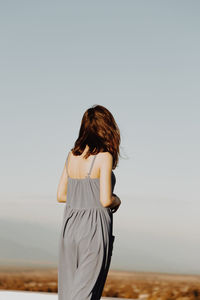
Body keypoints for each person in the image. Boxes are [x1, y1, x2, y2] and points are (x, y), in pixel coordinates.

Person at [57, 104, 121, 300]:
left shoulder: (72, 155)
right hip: (93, 230)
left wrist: (81, 198)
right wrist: (117, 200)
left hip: (70, 228)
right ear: (107, 128)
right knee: (86, 294)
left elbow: (60, 195)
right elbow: (104, 199)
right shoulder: (104, 157)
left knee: (69, 293)